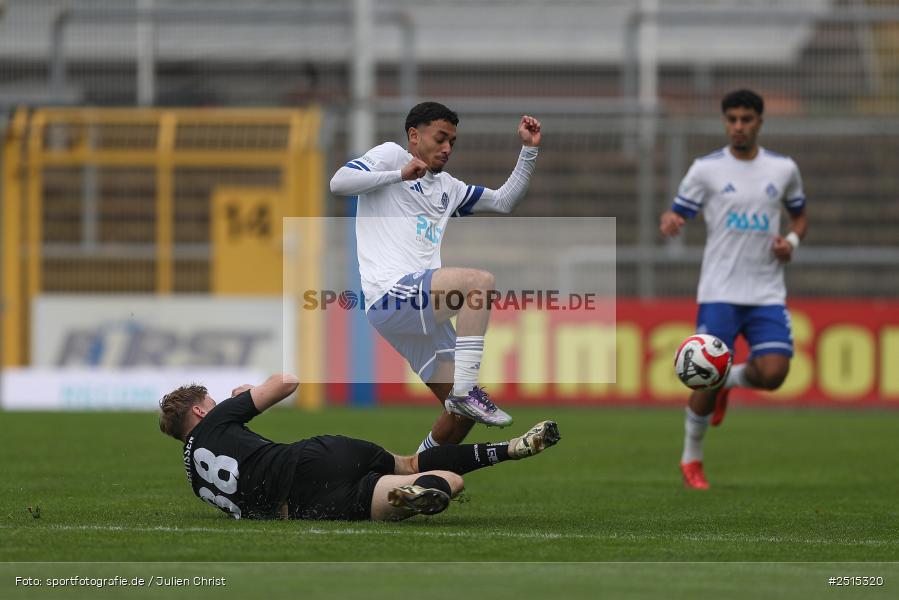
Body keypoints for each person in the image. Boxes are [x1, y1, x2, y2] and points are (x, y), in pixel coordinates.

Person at [330, 102, 542, 452]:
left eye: (452, 142)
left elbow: (504, 202)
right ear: (414, 136)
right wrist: (398, 175)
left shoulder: (447, 187)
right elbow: (339, 183)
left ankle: (414, 474)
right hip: (391, 293)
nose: (447, 148)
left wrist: (529, 150)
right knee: (479, 283)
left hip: (418, 307)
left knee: (462, 417)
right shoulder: (389, 156)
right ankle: (466, 387)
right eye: (440, 138)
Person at [659, 89, 808, 490]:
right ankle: (692, 459)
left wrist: (790, 243)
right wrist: (671, 221)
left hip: (766, 291)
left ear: (760, 121)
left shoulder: (783, 169)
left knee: (775, 373)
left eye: (746, 119)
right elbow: (678, 213)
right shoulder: (706, 169)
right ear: (725, 122)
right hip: (720, 290)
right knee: (702, 379)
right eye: (732, 119)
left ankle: (729, 380)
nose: (738, 126)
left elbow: (799, 217)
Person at [158, 373, 560, 520]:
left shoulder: (196, 482)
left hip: (308, 506)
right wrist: (246, 393)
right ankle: (508, 449)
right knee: (410, 462)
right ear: (198, 410)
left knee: (450, 484)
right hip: (316, 457)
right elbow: (287, 382)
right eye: (209, 403)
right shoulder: (218, 417)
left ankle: (418, 495)